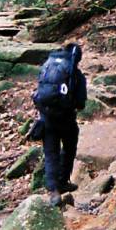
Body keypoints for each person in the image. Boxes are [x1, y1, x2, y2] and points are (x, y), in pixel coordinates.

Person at [32, 42, 87, 204]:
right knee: (69, 147)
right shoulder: (74, 73)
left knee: (50, 153)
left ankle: (53, 191)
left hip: (46, 117)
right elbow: (81, 103)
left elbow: (40, 92)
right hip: (66, 119)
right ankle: (63, 181)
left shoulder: (47, 66)